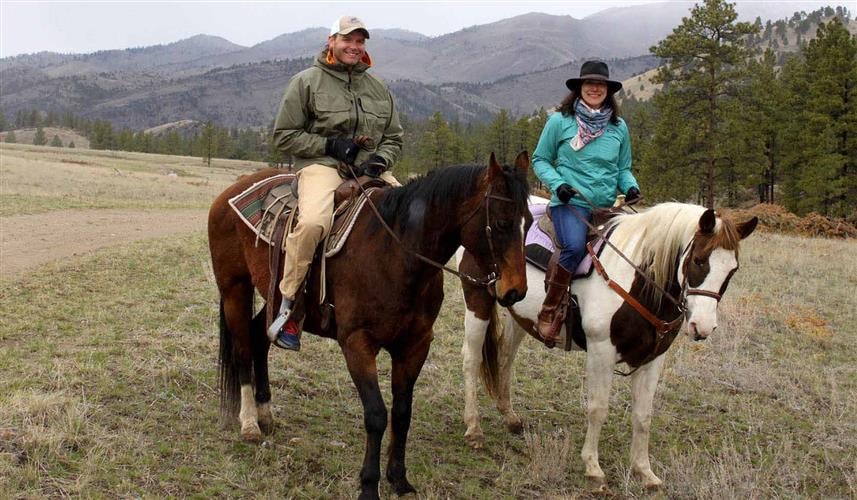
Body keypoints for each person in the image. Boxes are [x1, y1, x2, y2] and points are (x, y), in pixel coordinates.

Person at [267, 15, 403, 351]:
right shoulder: (307, 82)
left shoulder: (378, 88)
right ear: (332, 41)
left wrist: (380, 160)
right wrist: (328, 145)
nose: (354, 47)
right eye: (348, 40)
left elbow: (394, 137)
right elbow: (284, 136)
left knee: (411, 216)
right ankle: (289, 307)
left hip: (368, 169)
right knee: (313, 223)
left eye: (360, 42)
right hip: (321, 166)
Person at [532, 60, 641, 342]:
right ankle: (549, 309)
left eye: (600, 84)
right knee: (573, 247)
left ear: (608, 90)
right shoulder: (559, 121)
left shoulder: (619, 127)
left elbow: (623, 168)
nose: (595, 88)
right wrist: (558, 185)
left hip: (607, 207)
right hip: (571, 204)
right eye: (589, 84)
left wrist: (630, 187)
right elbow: (540, 160)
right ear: (579, 88)